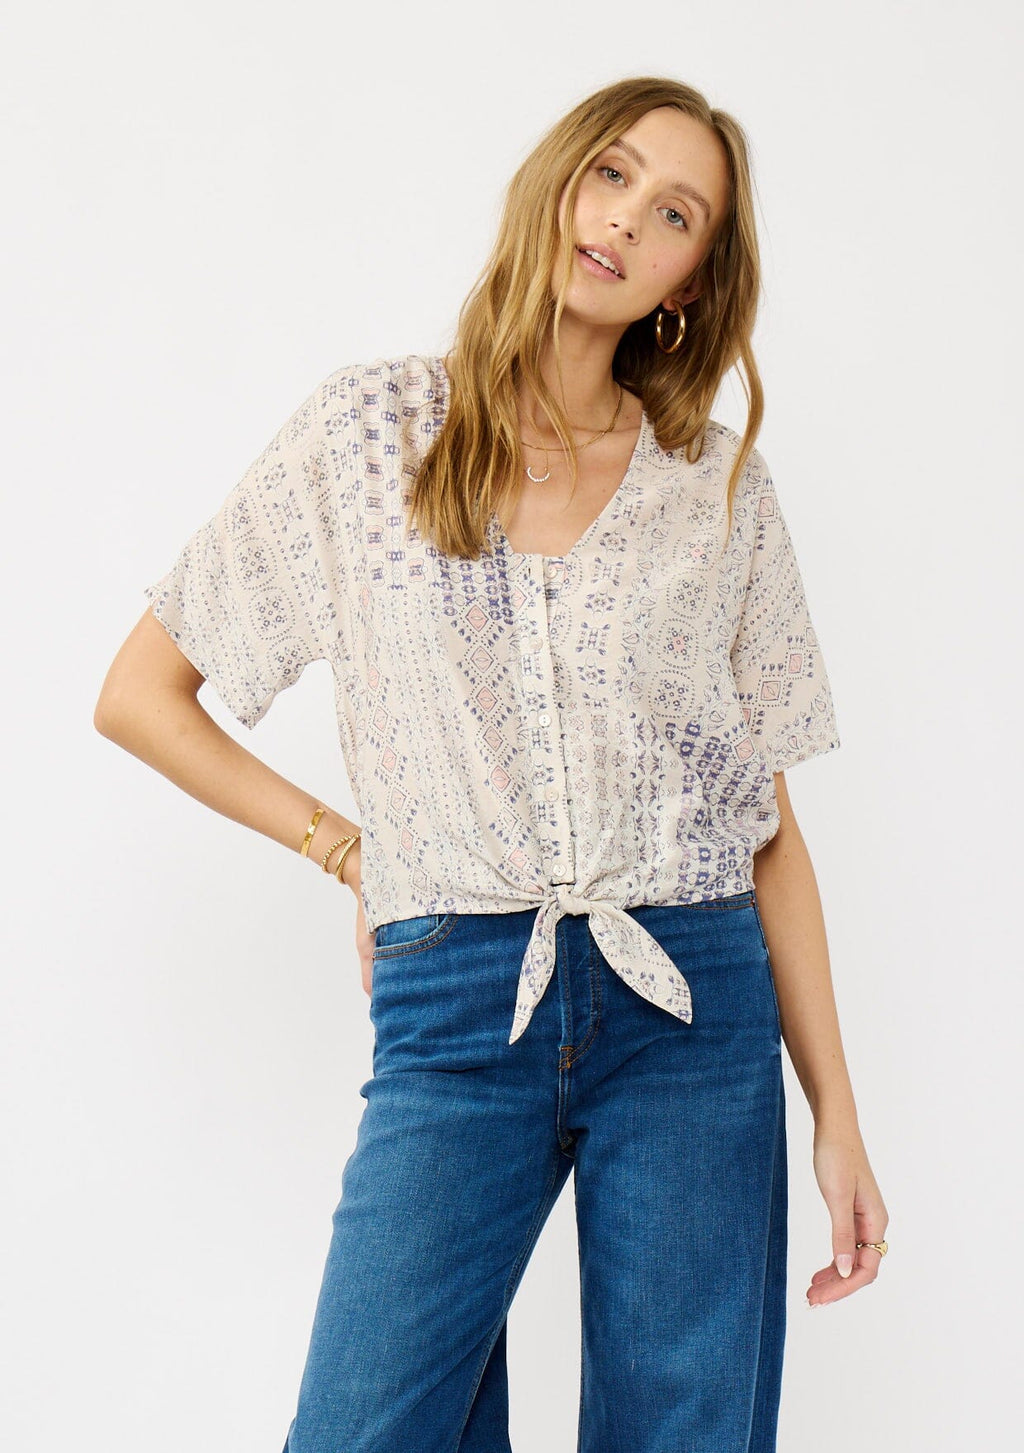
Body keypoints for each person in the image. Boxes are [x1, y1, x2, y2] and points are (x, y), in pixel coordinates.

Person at [95, 75, 889, 1453]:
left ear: (691, 282)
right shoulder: (368, 433)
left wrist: (838, 1116)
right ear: (557, 183)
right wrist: (350, 850)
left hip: (693, 1006)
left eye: (677, 213)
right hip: (458, 1001)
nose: (628, 219)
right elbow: (141, 694)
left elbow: (766, 828)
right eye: (614, 175)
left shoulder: (714, 486)